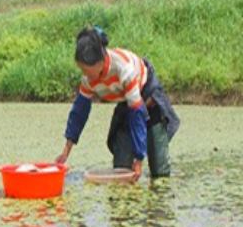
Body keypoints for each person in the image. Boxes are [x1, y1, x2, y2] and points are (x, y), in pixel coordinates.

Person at [56, 26, 180, 180]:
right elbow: (79, 114)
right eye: (83, 70)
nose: (86, 76)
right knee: (121, 168)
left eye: (89, 70)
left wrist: (139, 159)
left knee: (159, 171)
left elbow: (137, 113)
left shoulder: (123, 69)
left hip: (147, 99)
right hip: (125, 103)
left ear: (101, 61)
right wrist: (65, 151)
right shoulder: (88, 80)